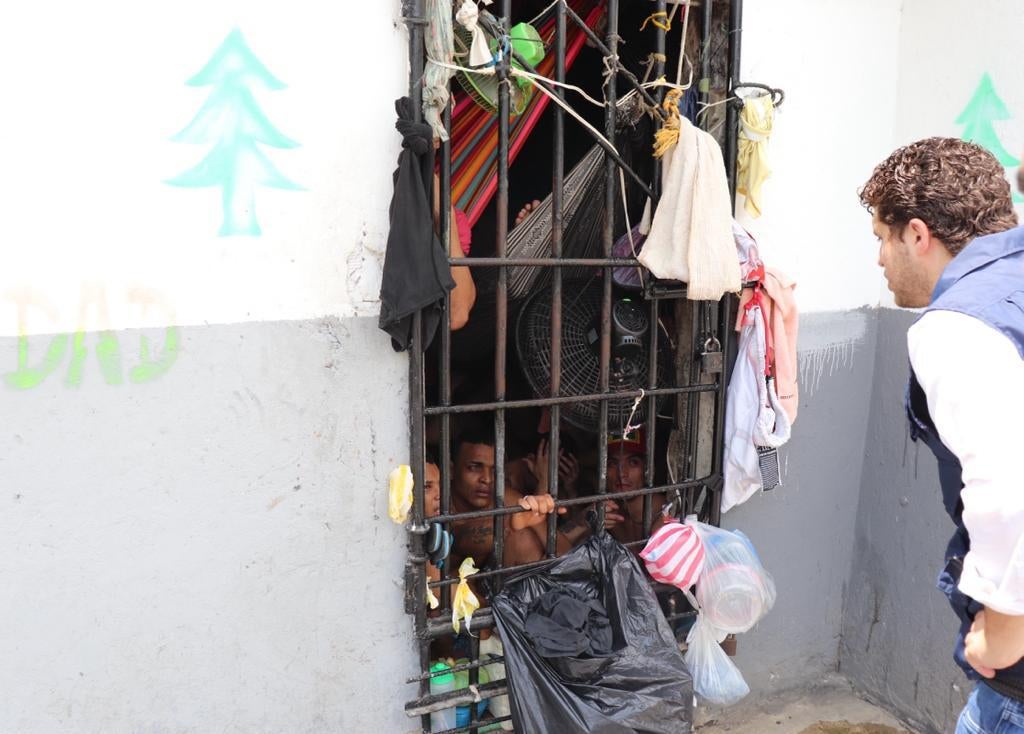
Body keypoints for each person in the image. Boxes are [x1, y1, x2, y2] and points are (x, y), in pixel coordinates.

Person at [859, 137, 1024, 732]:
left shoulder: (956, 327)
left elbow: (1010, 490)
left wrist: (1006, 626)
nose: (879, 259)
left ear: (919, 235)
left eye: (882, 237)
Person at [448, 424, 565, 570]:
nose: (487, 479)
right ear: (451, 470)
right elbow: (457, 540)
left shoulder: (505, 496)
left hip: (499, 587)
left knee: (523, 539)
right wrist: (511, 522)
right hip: (449, 589)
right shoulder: (438, 499)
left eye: (495, 469)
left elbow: (563, 551)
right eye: (475, 467)